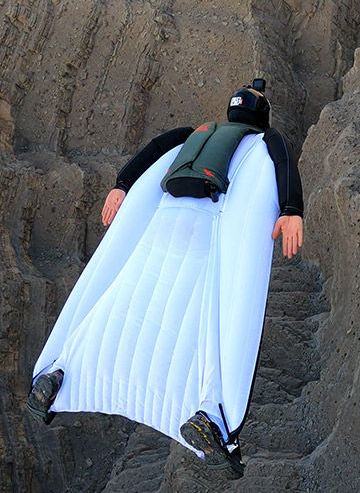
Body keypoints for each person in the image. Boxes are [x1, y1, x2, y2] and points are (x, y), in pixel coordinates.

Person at [27, 80, 303, 479]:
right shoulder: (264, 141)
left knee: (125, 296)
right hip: (210, 225)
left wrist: (122, 184)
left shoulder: (193, 135)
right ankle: (211, 419)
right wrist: (292, 209)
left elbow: (155, 148)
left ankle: (60, 374)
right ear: (262, 118)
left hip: (165, 221)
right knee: (213, 319)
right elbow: (283, 160)